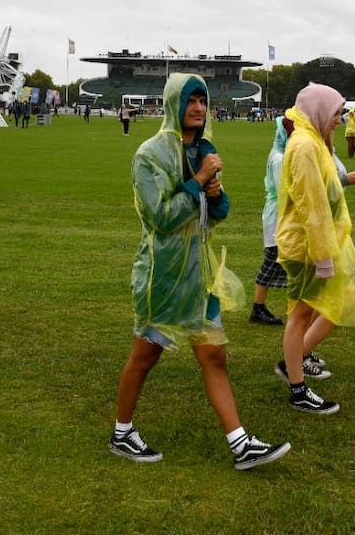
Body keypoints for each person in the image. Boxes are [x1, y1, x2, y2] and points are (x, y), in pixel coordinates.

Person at [109, 73, 290, 470]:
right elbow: (161, 218)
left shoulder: (203, 150)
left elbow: (215, 216)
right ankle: (121, 433)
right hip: (164, 277)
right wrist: (200, 180)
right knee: (145, 356)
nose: (197, 108)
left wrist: (217, 195)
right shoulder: (149, 155)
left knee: (214, 358)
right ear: (174, 103)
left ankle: (241, 444)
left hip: (200, 274)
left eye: (202, 101)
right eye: (190, 100)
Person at [275, 83, 355, 415]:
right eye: (335, 112)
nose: (339, 118)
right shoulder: (305, 146)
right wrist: (322, 257)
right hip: (306, 246)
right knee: (301, 314)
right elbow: (312, 205)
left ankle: (293, 363)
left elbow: (326, 192)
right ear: (319, 110)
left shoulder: (313, 142)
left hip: (318, 243)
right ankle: (297, 386)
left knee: (338, 302)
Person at [251, 116, 292, 327]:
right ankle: (258, 308)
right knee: (273, 261)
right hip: (278, 215)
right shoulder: (280, 159)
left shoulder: (279, 154)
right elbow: (282, 190)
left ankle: (260, 307)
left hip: (277, 214)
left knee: (277, 261)